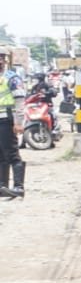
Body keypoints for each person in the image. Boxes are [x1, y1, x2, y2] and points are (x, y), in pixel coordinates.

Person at [0, 53, 22, 200]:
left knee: (12, 154)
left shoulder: (11, 77)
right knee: (1, 156)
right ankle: (3, 186)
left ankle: (19, 187)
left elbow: (20, 100)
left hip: (7, 121)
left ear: (4, 61)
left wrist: (18, 122)